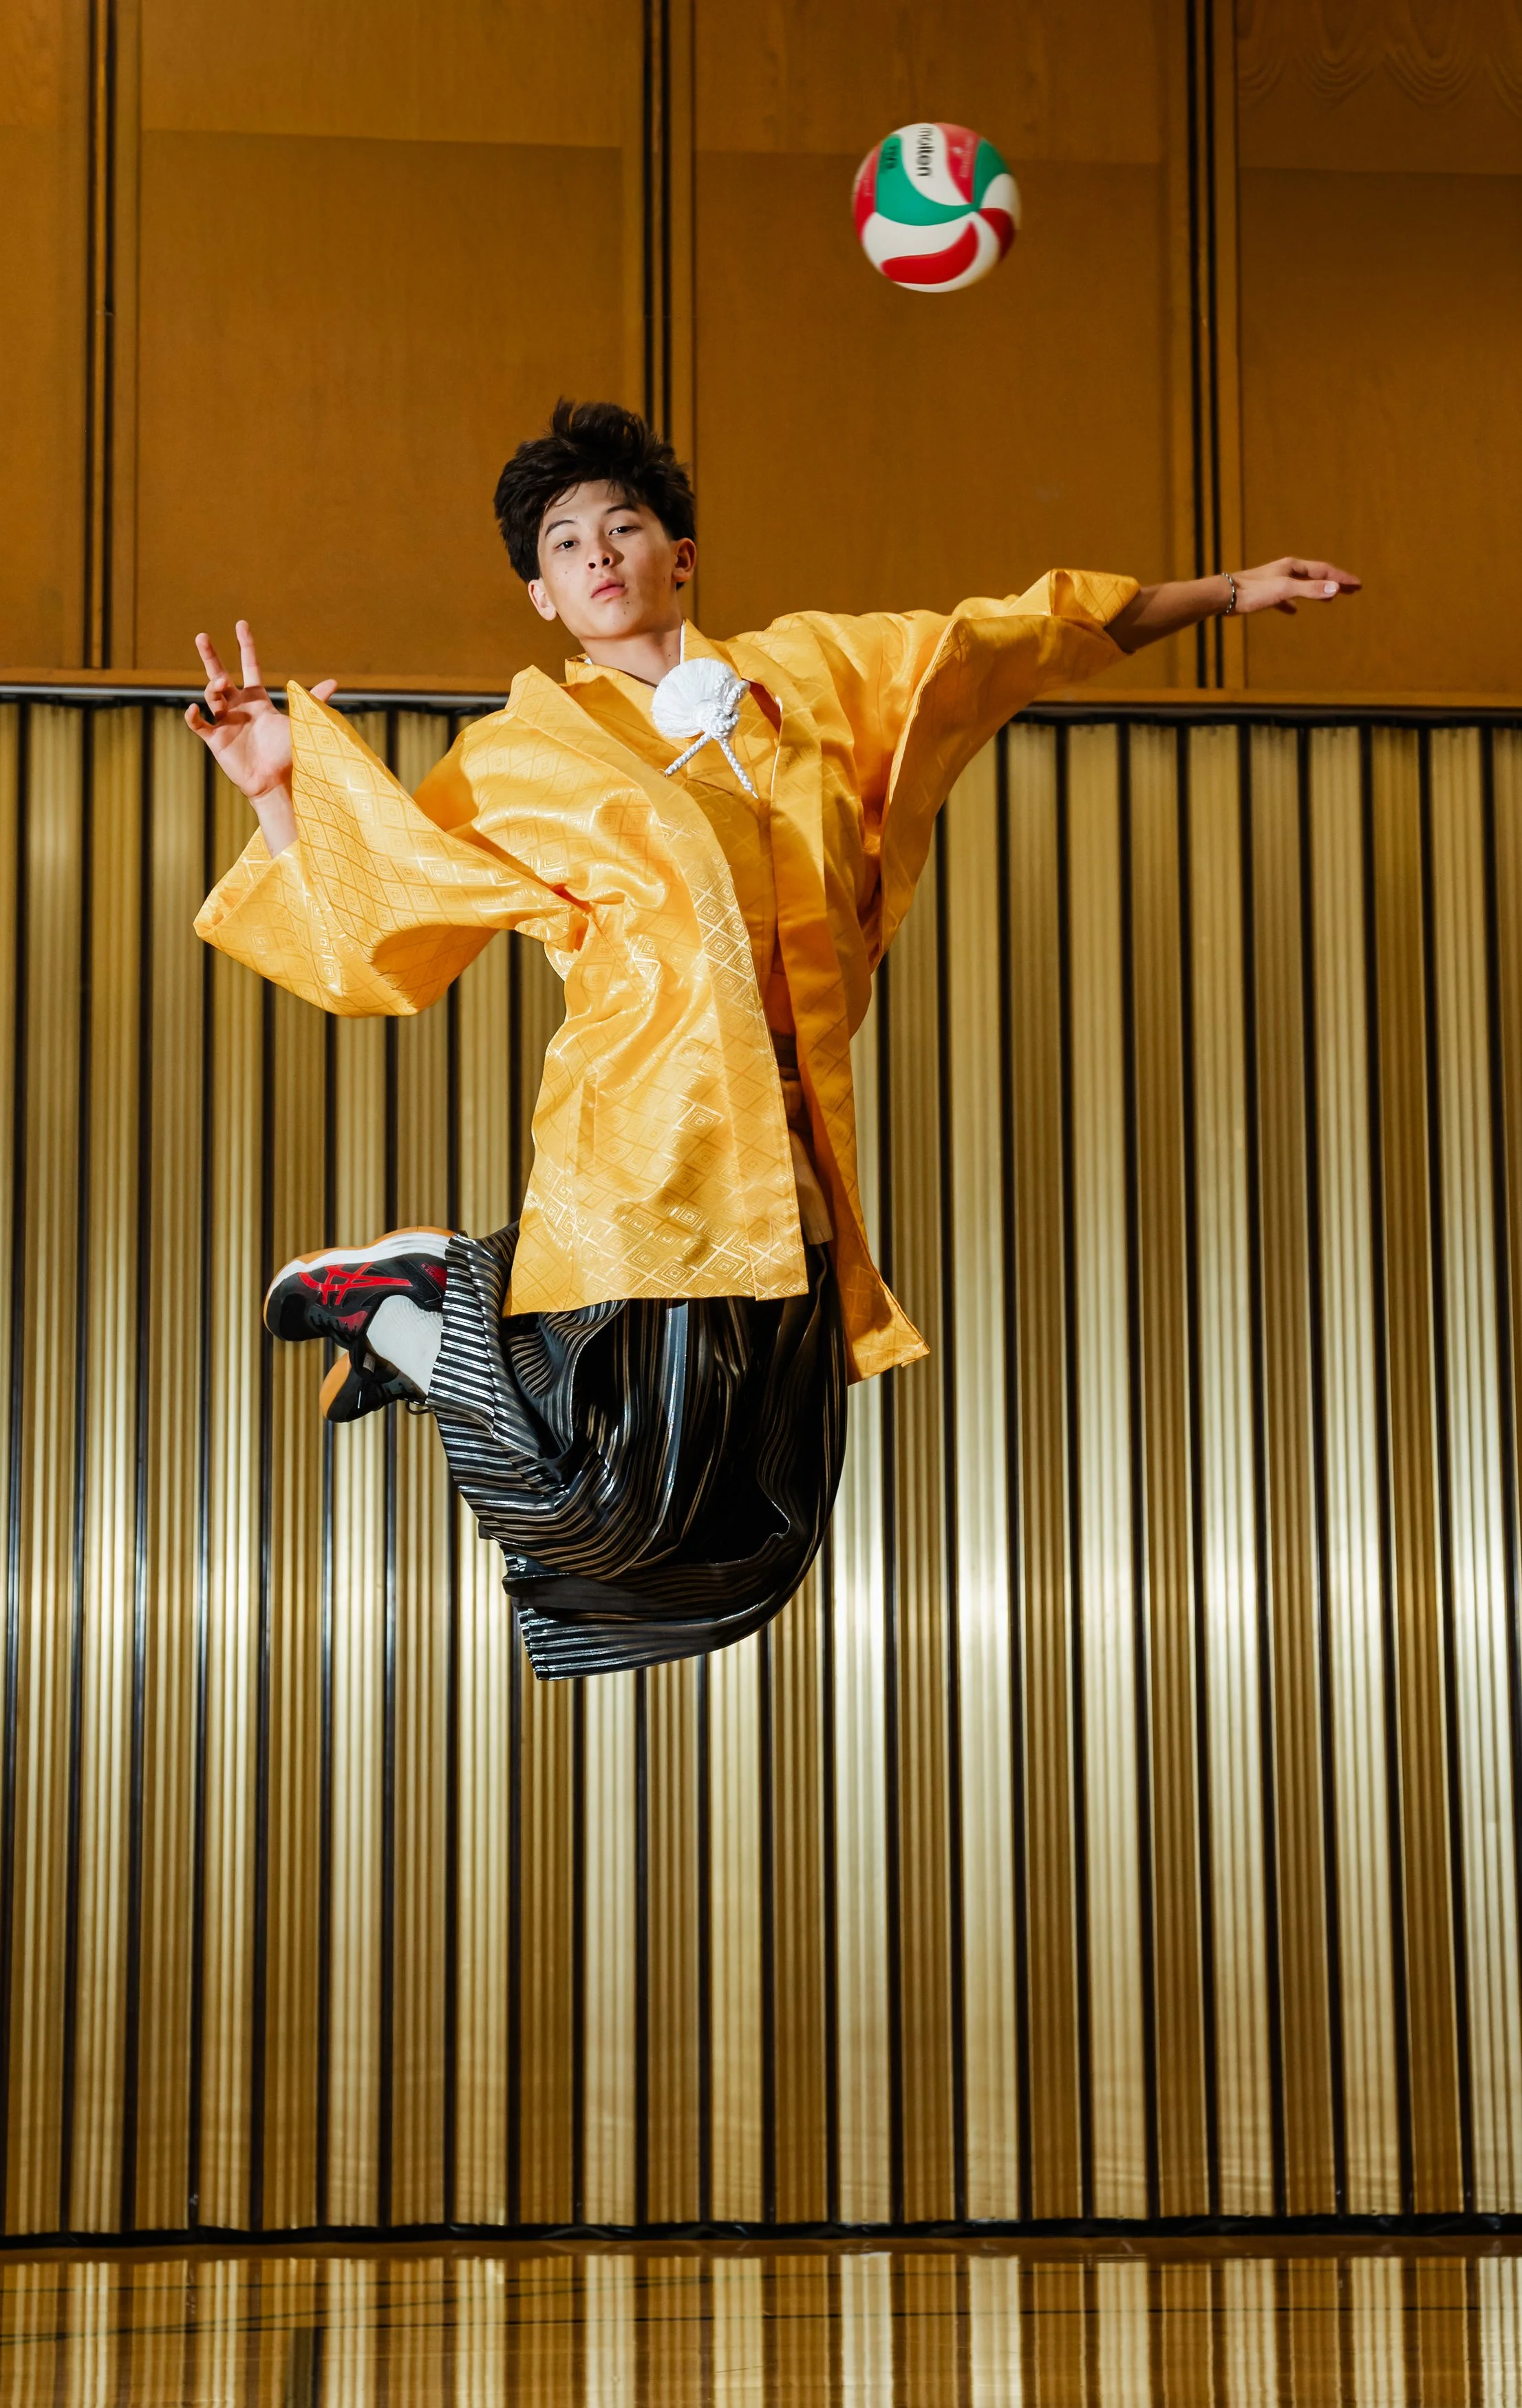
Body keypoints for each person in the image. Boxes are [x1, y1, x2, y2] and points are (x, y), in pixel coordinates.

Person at [187, 399, 1358, 1678]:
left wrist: (1229, 593)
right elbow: (380, 929)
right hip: (649, 1158)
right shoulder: (517, 756)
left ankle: (436, 1321)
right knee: (601, 1521)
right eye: (565, 543)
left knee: (749, 1548)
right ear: (541, 596)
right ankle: (420, 1304)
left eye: (622, 526)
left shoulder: (807, 680)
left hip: (794, 1173)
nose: (597, 554)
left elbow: (1010, 641)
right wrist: (277, 787)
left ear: (678, 555)